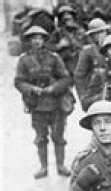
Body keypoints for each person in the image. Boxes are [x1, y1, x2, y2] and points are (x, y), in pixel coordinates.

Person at [14, 26, 73, 179]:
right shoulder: (24, 60)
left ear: (44, 40)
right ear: (29, 41)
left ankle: (60, 165)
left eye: (40, 38)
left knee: (58, 136)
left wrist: (54, 88)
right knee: (40, 137)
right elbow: (19, 81)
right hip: (36, 105)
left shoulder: (54, 58)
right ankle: (43, 167)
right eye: (33, 38)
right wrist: (31, 89)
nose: (37, 41)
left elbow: (66, 78)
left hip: (56, 104)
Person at [74, 18, 111, 110]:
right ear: (91, 36)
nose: (99, 36)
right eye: (95, 34)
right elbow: (79, 76)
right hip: (95, 93)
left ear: (106, 32)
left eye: (101, 32)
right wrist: (83, 98)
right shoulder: (88, 51)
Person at [47, 5, 85, 76]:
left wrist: (77, 44)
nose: (67, 18)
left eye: (69, 16)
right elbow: (48, 47)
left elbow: (90, 47)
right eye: (64, 17)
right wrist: (59, 45)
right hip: (64, 67)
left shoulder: (81, 31)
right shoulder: (58, 33)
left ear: (73, 18)